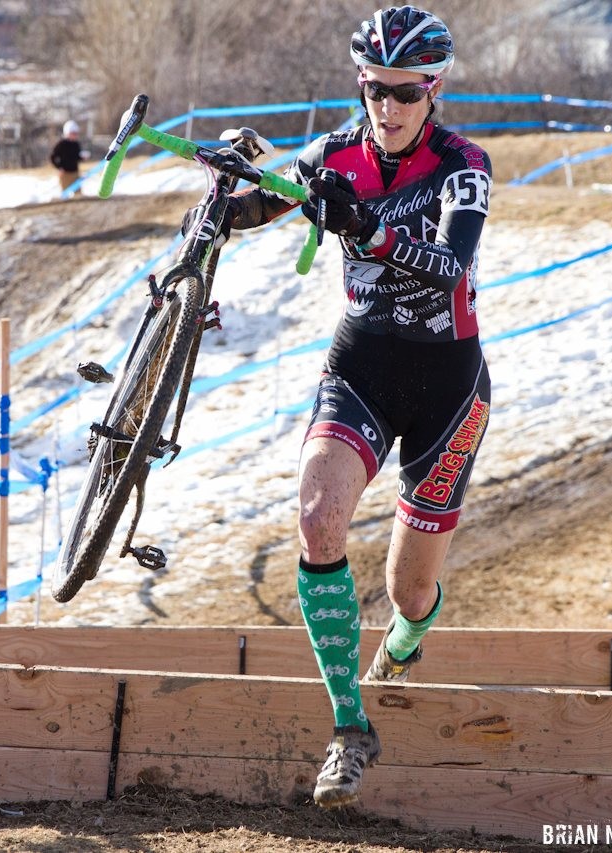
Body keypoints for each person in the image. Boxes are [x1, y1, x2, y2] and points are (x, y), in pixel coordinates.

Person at [215, 6, 492, 809]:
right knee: (315, 517)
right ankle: (349, 725)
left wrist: (367, 230)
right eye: (375, 89)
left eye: (406, 92)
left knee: (408, 594)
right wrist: (218, 201)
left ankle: (403, 643)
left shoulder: (462, 163)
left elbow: (452, 265)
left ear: (432, 91)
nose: (389, 107)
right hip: (364, 361)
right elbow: (258, 208)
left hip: (447, 383)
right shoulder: (334, 154)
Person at [50, 119, 87, 191]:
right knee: (65, 196)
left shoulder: (76, 144)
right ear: (68, 133)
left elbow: (76, 157)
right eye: (73, 133)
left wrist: (82, 158)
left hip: (75, 173)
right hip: (65, 174)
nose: (75, 135)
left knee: (78, 194)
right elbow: (52, 157)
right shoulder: (61, 144)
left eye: (76, 133)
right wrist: (59, 168)